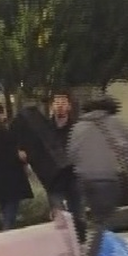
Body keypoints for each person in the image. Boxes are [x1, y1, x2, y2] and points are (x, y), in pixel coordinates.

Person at [67, 92, 128, 256]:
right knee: (104, 223)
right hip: (108, 179)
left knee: (98, 220)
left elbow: (71, 154)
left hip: (84, 180)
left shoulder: (78, 126)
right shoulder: (118, 123)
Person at [0, 103, 32, 230]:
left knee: (6, 208)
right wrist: (20, 156)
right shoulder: (2, 132)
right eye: (2, 113)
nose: (5, 116)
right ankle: (7, 233)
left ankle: (7, 231)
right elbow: (10, 153)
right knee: (11, 211)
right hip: (11, 178)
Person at [46, 92, 87, 243]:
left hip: (73, 176)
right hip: (54, 178)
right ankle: (63, 244)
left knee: (78, 214)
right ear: (52, 106)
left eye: (63, 103)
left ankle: (80, 243)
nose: (60, 106)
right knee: (59, 216)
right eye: (57, 103)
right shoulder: (46, 128)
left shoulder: (76, 127)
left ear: (69, 106)